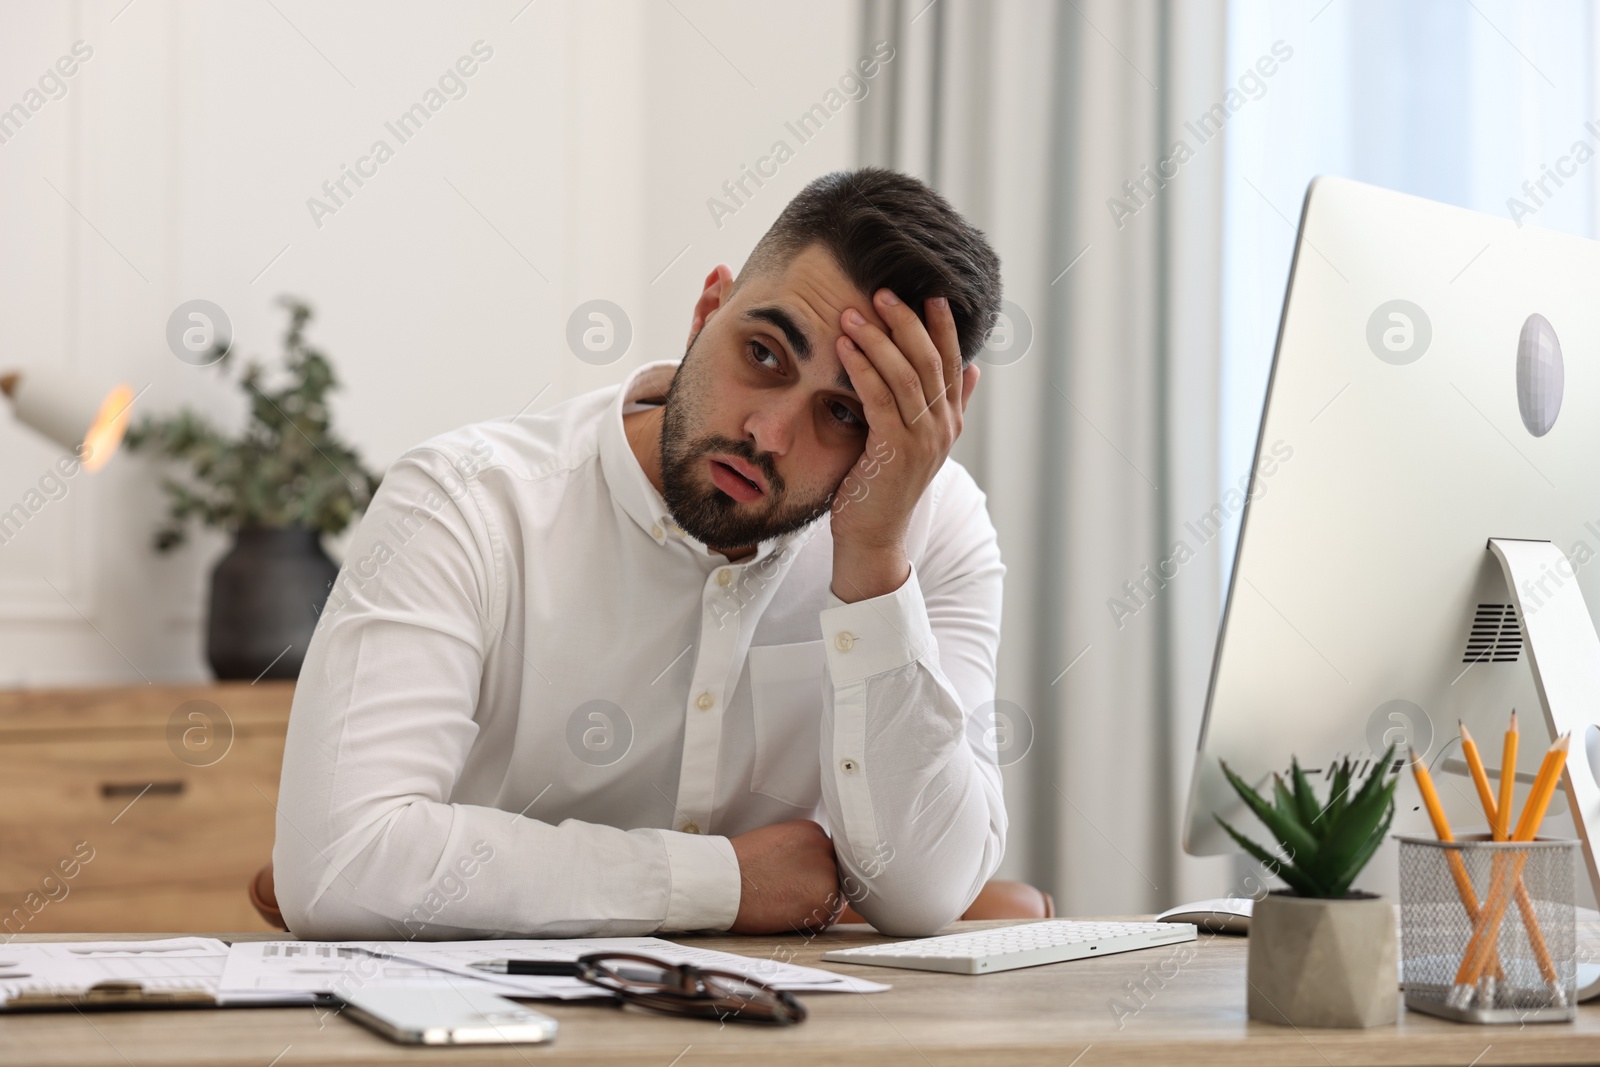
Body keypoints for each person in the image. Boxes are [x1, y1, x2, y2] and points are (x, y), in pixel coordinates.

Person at [274, 167, 1008, 940]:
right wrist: (725, 882)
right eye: (763, 354)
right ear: (705, 312)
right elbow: (343, 864)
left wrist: (872, 563)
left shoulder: (930, 532)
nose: (770, 433)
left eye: (843, 413)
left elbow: (924, 893)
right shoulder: (465, 502)